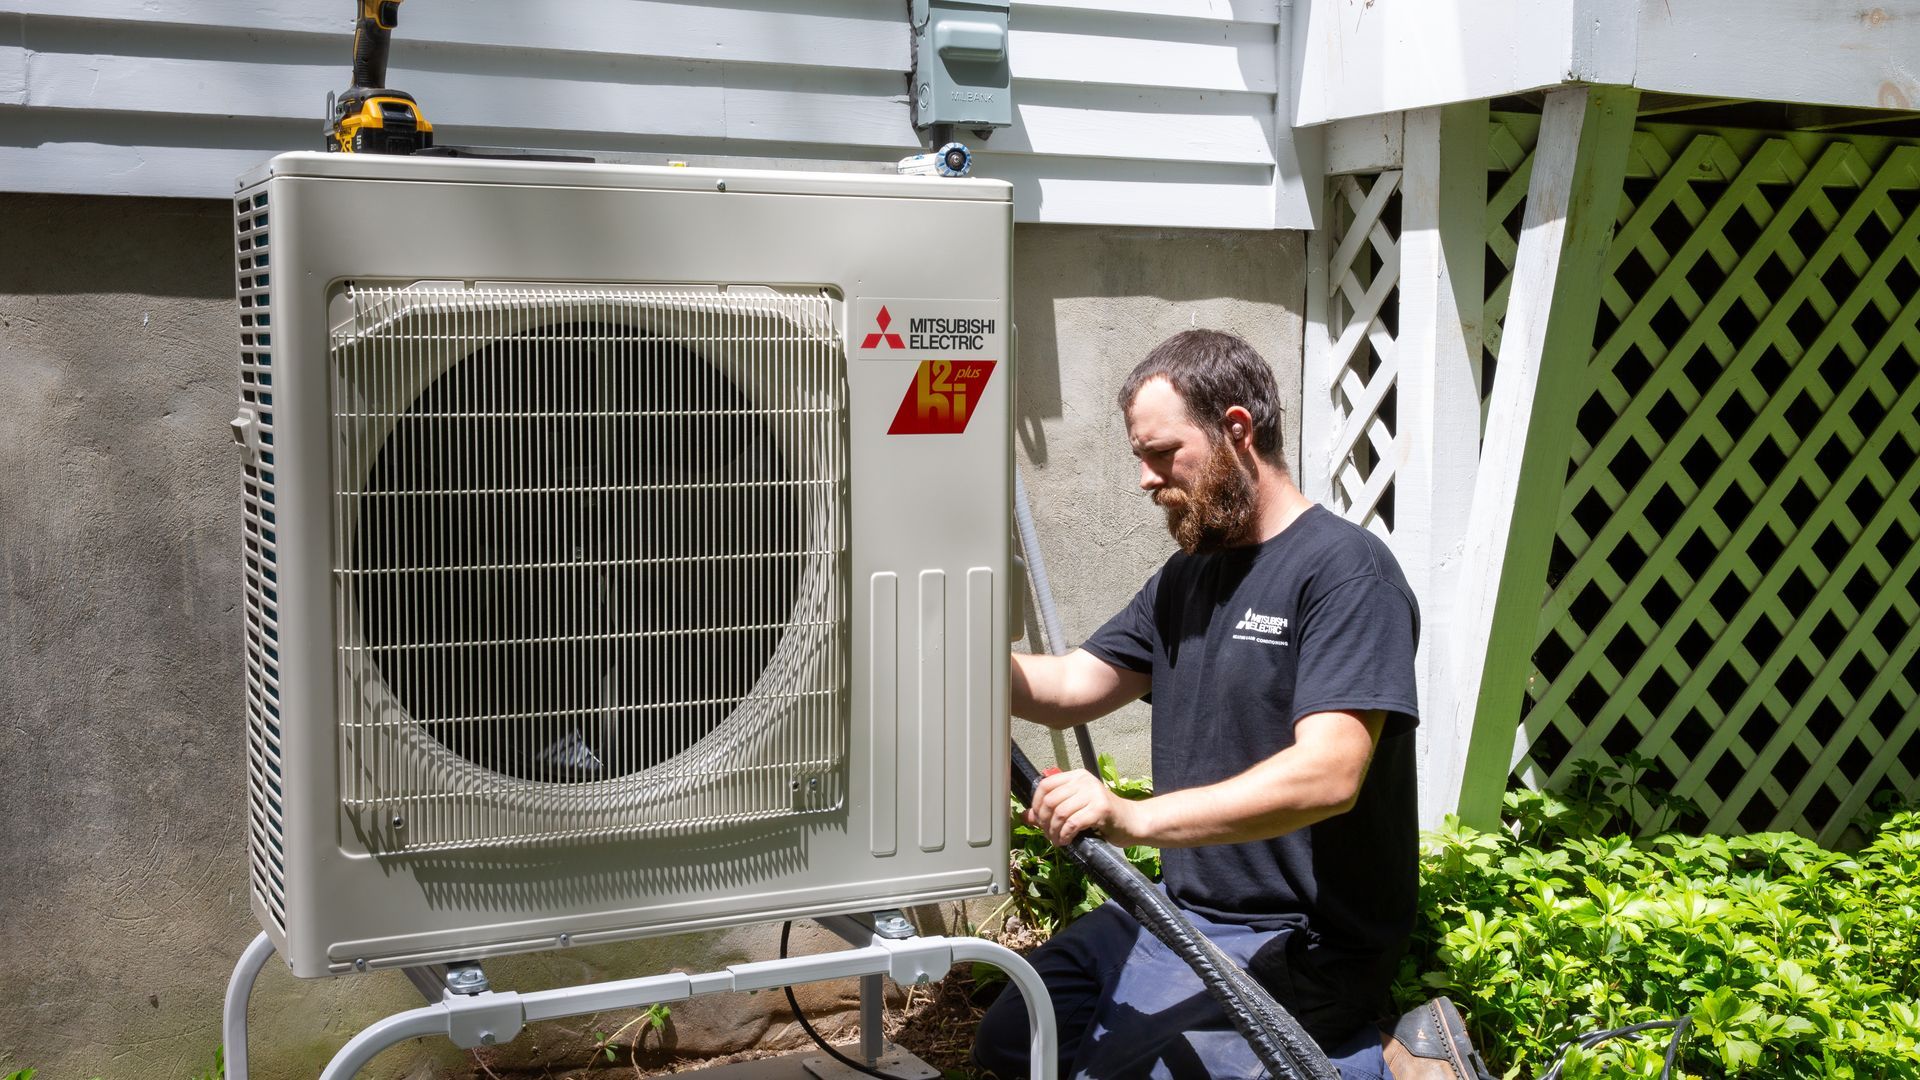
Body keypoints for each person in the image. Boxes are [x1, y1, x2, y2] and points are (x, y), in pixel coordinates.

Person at [973, 330, 1421, 1080]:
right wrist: (951, 660)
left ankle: (1367, 1057)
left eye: (1160, 454)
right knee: (1015, 1039)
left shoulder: (1346, 574)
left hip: (1297, 936)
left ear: (1236, 430)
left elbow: (1330, 774)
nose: (1144, 480)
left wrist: (1131, 815)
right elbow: (1074, 686)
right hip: (1179, 912)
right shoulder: (1191, 574)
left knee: (1112, 1072)